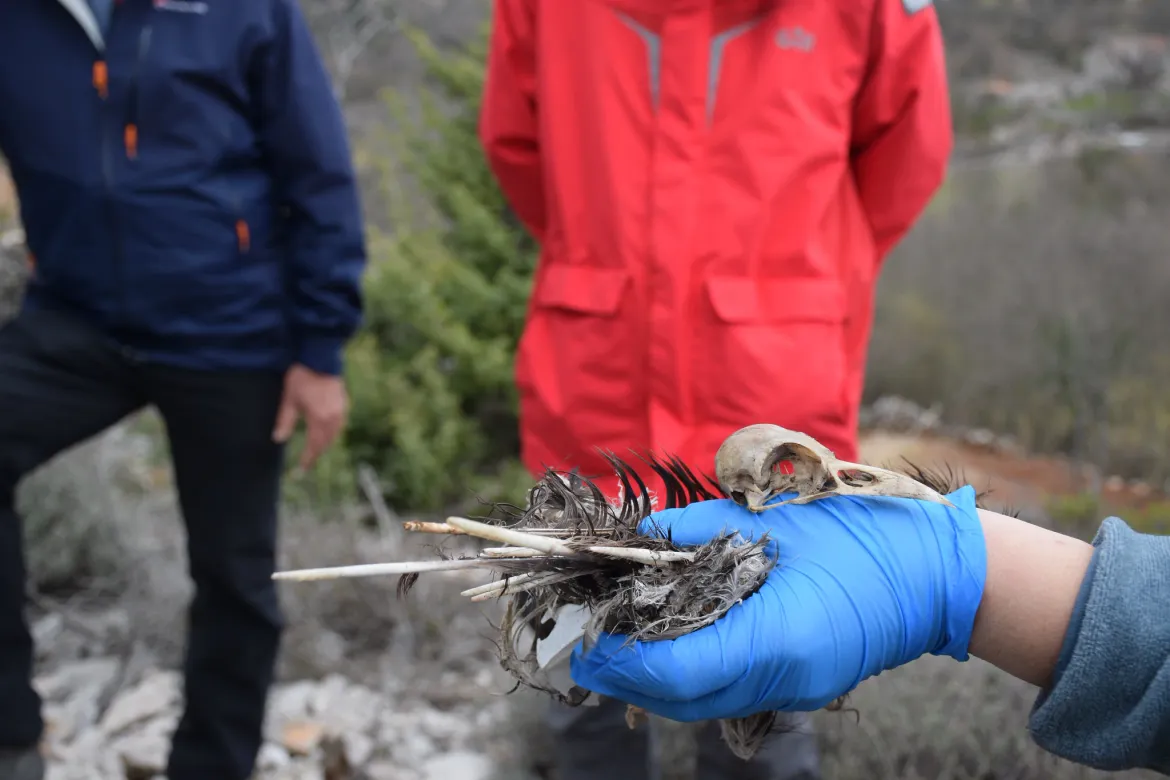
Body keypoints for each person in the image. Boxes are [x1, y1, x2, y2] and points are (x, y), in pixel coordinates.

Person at [478, 0, 952, 777]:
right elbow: (518, 147)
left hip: (724, 412)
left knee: (669, 695)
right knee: (701, 706)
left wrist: (806, 274)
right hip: (665, 387)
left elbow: (905, 156)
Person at [0, 1, 365, 778]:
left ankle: (213, 763)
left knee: (234, 571)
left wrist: (319, 351)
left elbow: (318, 168)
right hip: (76, 316)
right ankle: (8, 734)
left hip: (228, 326)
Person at [569, 488, 1170, 775]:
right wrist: (958, 567)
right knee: (590, 736)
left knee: (759, 739)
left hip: (789, 503)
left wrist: (948, 568)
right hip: (598, 484)